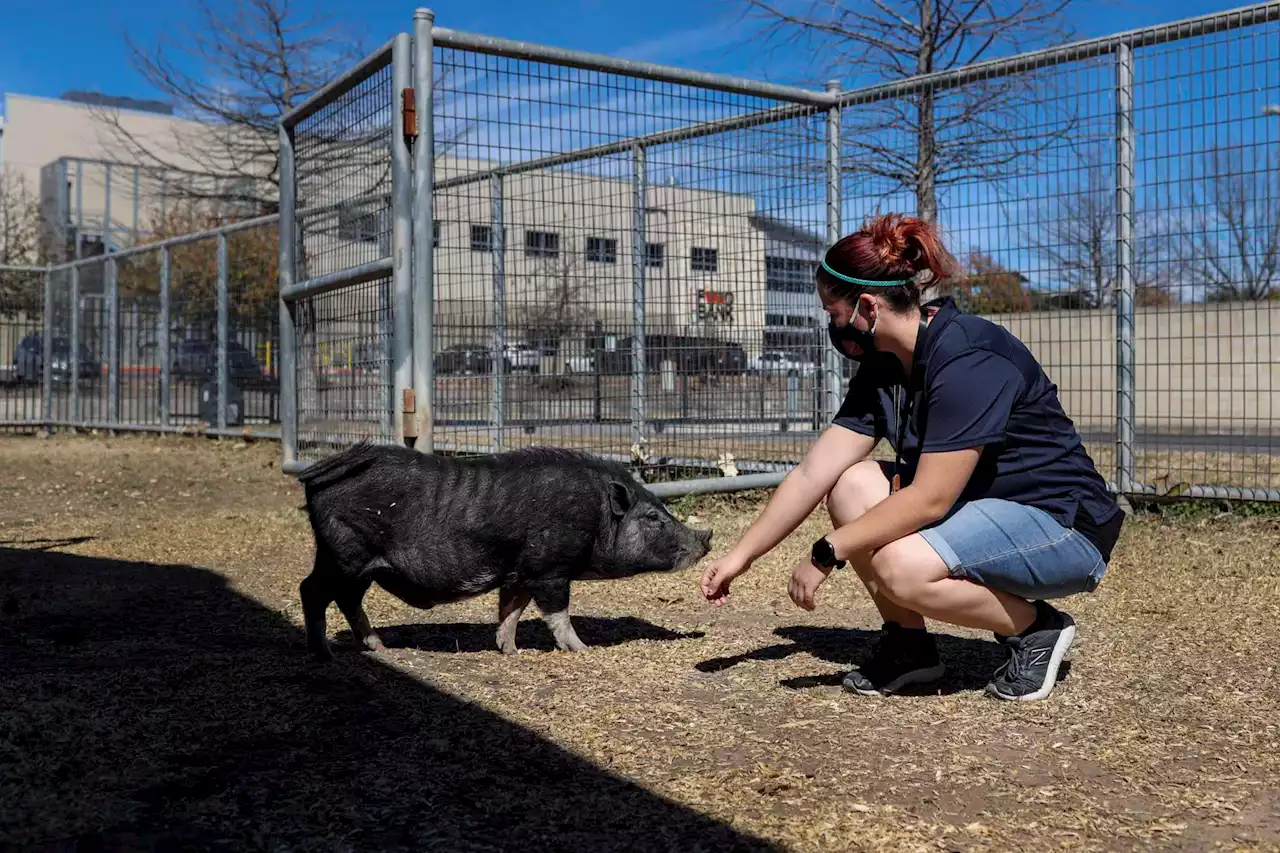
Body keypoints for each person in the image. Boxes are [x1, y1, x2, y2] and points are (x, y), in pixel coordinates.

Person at [699, 213, 1125, 702]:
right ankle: (910, 648)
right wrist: (742, 556)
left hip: (1062, 526)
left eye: (833, 313)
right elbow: (814, 472)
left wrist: (826, 552)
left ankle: (1036, 629)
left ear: (866, 306)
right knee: (850, 483)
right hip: (980, 511)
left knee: (900, 567)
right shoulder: (883, 365)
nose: (833, 326)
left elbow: (928, 500)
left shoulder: (968, 357)